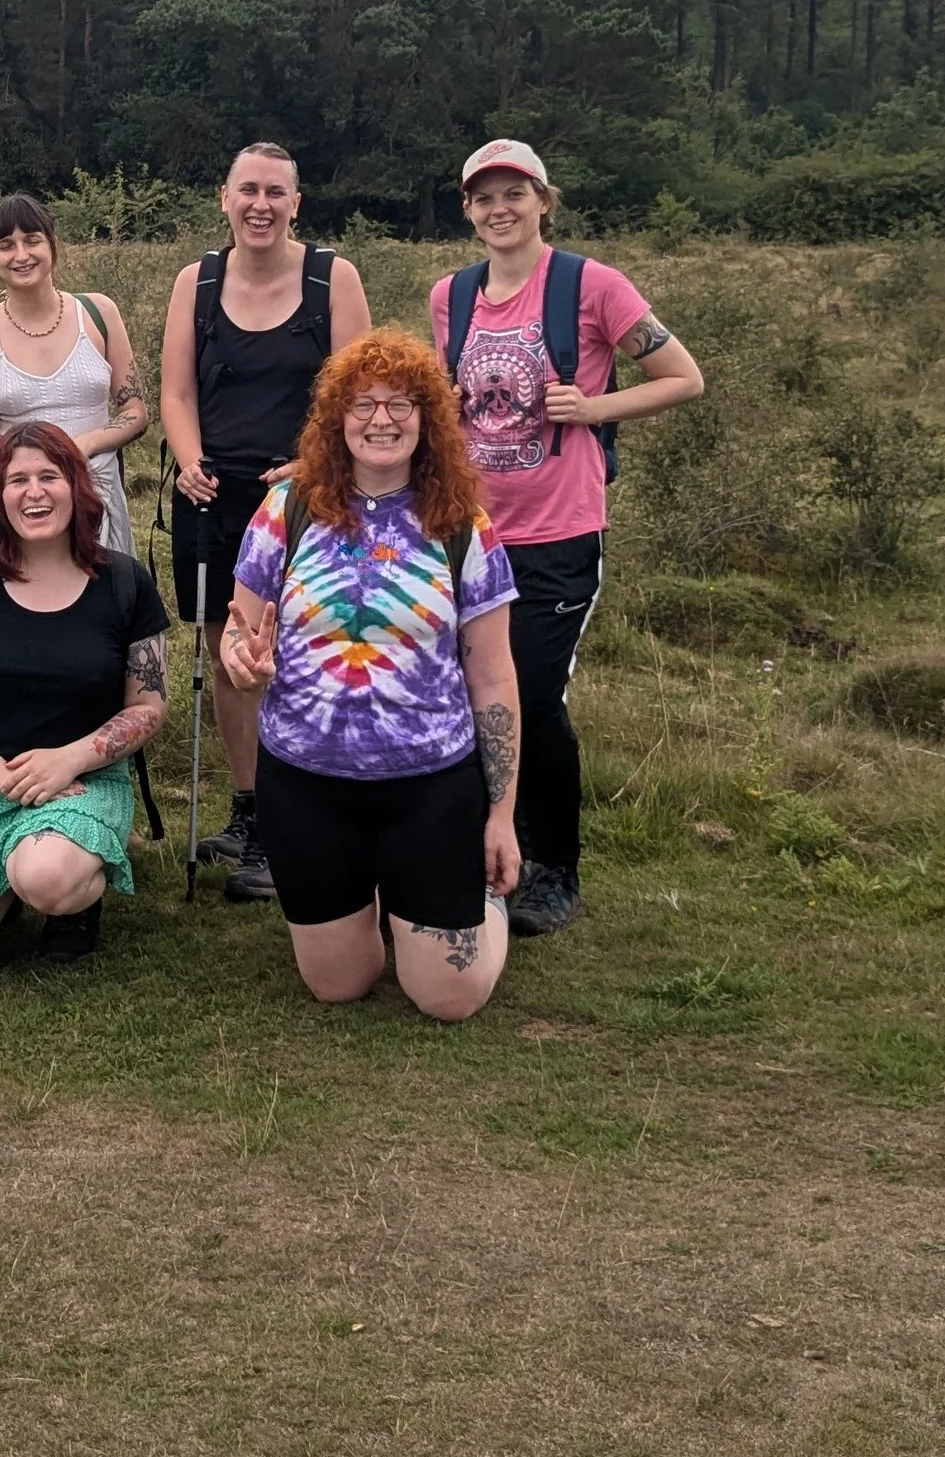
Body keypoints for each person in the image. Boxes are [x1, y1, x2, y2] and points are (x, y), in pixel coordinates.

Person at [428, 138, 705, 935]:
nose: (500, 209)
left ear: (544, 200)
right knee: (463, 691)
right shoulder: (452, 294)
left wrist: (594, 409)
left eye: (515, 193)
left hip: (559, 534)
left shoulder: (593, 285)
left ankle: (555, 867)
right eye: (484, 197)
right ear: (469, 209)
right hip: (470, 531)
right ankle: (478, 845)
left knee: (535, 699)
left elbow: (684, 376)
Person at [221, 333, 522, 1022]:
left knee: (449, 997)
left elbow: (495, 679)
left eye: (401, 404)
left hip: (429, 785)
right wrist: (241, 657)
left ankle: (481, 901)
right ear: (337, 419)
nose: (381, 419)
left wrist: (500, 815)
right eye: (363, 404)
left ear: (429, 420)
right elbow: (240, 630)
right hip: (305, 783)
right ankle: (381, 897)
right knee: (339, 983)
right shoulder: (287, 508)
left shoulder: (460, 525)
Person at [159, 143, 370, 904]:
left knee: (304, 654)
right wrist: (187, 463)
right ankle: (248, 812)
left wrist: (314, 467)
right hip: (212, 492)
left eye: (274, 191)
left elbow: (359, 391)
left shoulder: (332, 278)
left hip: (308, 494)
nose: (260, 203)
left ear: (296, 201)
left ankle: (296, 818)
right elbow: (176, 392)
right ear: (223, 197)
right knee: (227, 651)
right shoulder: (198, 280)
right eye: (246, 188)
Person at [0, 420, 169, 986]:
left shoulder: (124, 582)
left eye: (50, 475)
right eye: (17, 479)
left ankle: (68, 891)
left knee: (45, 875)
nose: (34, 491)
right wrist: (0, 776)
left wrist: (70, 758)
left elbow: (148, 706)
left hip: (82, 782)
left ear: (77, 484)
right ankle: (7, 880)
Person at [0, 191, 146, 554]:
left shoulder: (99, 313)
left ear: (53, 244)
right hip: (18, 504)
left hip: (94, 494)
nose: (21, 255)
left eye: (32, 240)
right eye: (6, 245)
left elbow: (136, 412)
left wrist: (81, 446)